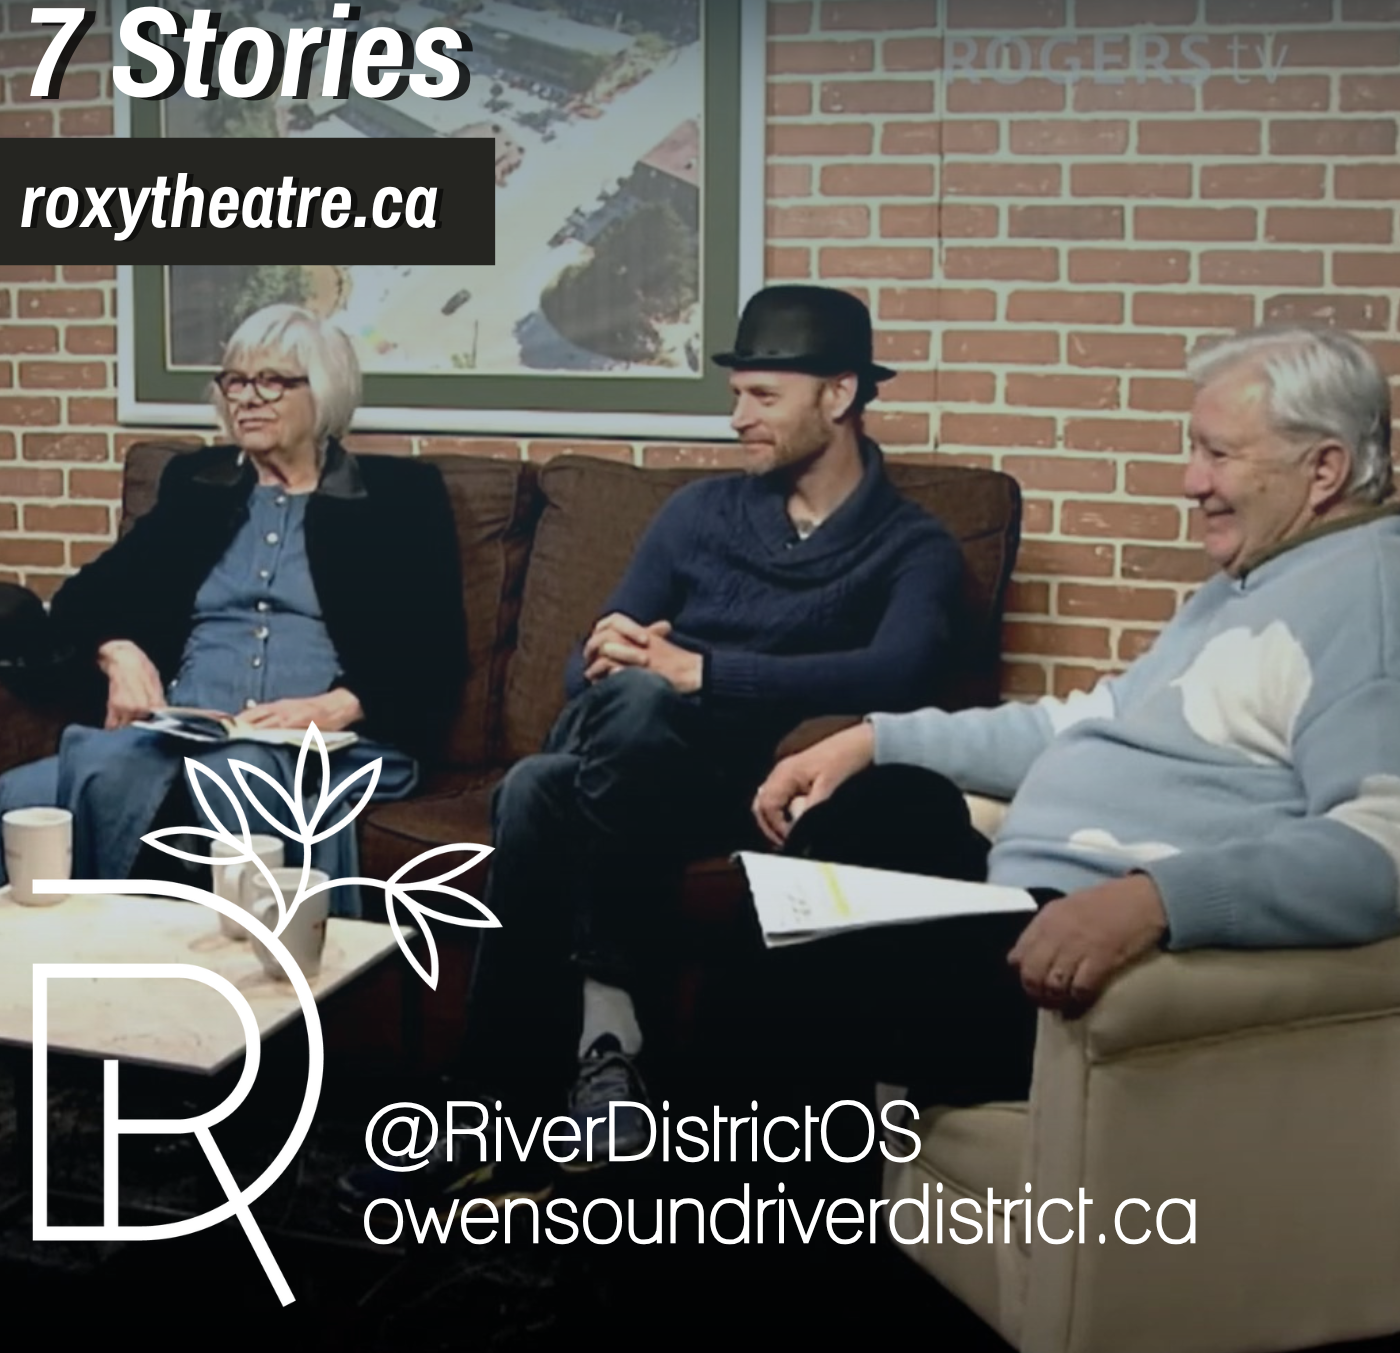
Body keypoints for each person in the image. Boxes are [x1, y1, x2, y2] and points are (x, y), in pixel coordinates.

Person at [339, 284, 967, 1210]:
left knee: (533, 795)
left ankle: (492, 1116)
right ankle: (610, 1042)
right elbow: (589, 663)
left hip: (748, 786)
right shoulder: (699, 514)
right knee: (626, 707)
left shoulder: (914, 547)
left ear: (838, 397)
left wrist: (704, 675)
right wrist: (613, 658)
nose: (737, 418)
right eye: (737, 394)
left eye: (762, 397)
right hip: (634, 750)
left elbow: (900, 672)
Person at [741, 323, 1400, 1113]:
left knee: (775, 976)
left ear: (1323, 468)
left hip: (1064, 953)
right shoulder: (1249, 583)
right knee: (893, 802)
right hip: (1007, 908)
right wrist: (877, 737)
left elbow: (1381, 844)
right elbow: (1093, 719)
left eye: (1218, 454)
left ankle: (708, 1189)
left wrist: (1154, 900)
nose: (1191, 482)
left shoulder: (1371, 602)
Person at [0, 305, 465, 915]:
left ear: (322, 391)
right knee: (19, 796)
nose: (248, 398)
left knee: (232, 773)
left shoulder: (400, 498)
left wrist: (341, 704)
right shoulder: (198, 485)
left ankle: (270, 990)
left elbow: (436, 648)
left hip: (324, 746)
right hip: (180, 733)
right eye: (235, 382)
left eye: (272, 381)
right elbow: (86, 598)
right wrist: (119, 652)